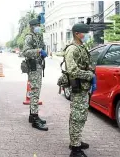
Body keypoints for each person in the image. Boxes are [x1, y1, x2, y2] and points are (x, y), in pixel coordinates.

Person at [65, 23, 95, 157]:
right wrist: (89, 75)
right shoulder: (72, 49)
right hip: (78, 87)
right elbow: (72, 70)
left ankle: (75, 141)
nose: (87, 35)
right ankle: (75, 150)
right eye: (85, 32)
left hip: (83, 87)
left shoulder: (81, 47)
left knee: (81, 115)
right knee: (77, 116)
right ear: (77, 34)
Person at [22, 19, 48, 131]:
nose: (38, 27)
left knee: (35, 92)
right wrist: (38, 51)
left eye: (39, 25)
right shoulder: (29, 37)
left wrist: (43, 52)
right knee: (35, 92)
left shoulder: (37, 36)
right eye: (37, 25)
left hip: (38, 66)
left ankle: (32, 116)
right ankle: (35, 118)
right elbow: (25, 51)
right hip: (33, 67)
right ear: (31, 26)